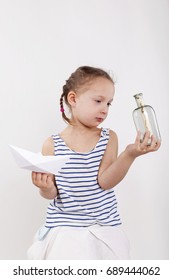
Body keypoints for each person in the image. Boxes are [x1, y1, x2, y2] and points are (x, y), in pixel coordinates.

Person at [27, 66, 161, 260]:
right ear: (73, 99)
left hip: (102, 228)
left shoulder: (108, 138)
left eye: (109, 103)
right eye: (98, 101)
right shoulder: (52, 144)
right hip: (65, 228)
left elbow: (105, 181)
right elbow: (52, 193)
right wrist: (44, 187)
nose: (104, 109)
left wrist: (129, 154)